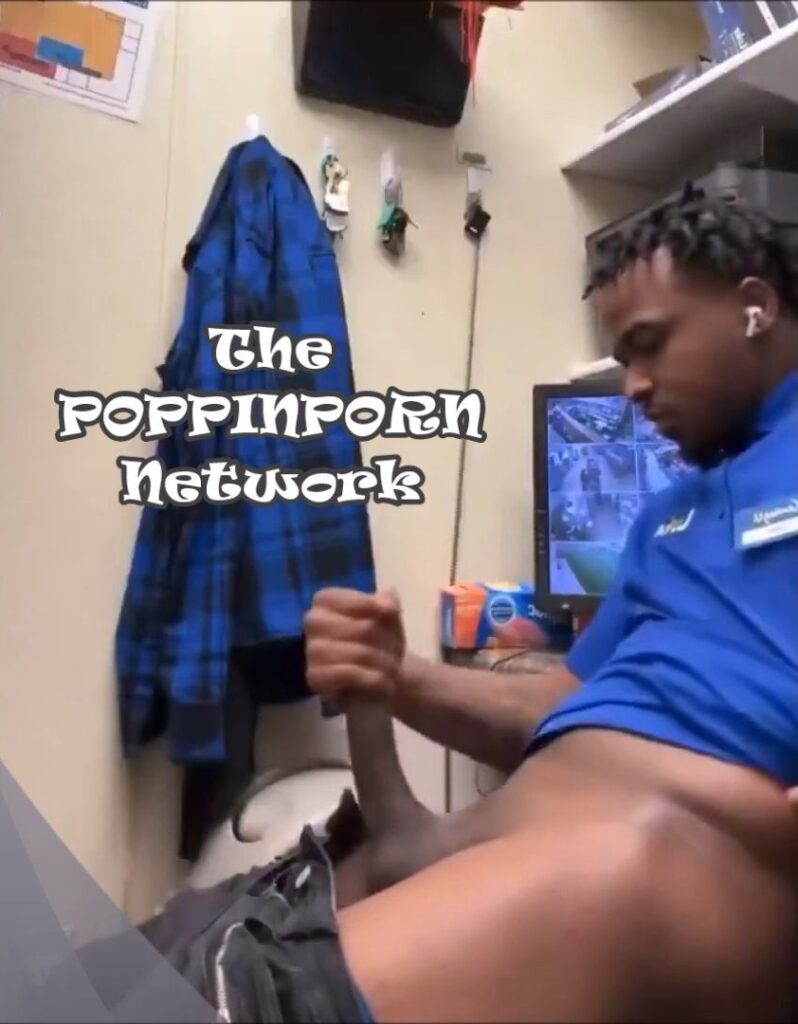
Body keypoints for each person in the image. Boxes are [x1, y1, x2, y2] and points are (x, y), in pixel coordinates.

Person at [301, 190, 798, 1023]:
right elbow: (564, 699)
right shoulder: (666, 517)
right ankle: (415, 847)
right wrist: (395, 677)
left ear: (755, 308)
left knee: (255, 998)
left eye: (651, 345)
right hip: (529, 834)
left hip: (671, 857)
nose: (635, 388)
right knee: (159, 964)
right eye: (622, 359)